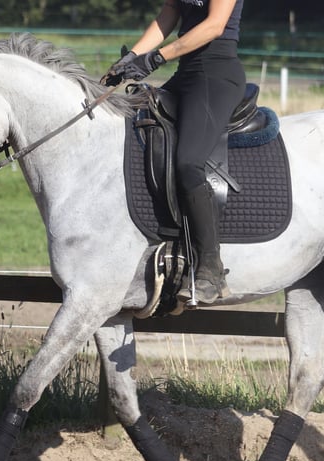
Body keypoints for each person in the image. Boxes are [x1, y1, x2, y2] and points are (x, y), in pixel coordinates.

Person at [101, 0, 246, 305]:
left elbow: (214, 25)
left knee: (188, 164)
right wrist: (130, 59)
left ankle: (210, 267)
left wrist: (155, 58)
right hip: (186, 74)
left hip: (216, 76)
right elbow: (168, 15)